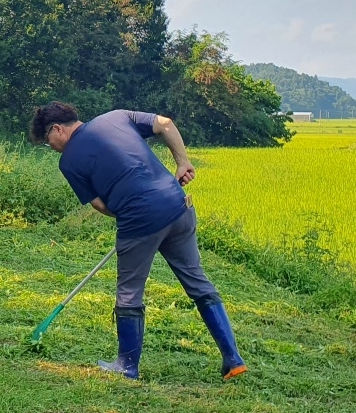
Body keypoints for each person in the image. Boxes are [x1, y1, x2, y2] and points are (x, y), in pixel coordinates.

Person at [30, 101, 247, 381]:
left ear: (57, 129)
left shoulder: (69, 161)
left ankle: (127, 365)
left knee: (129, 291)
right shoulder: (118, 117)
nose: (52, 148)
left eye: (48, 142)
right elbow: (165, 123)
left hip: (138, 220)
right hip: (178, 205)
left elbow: (100, 205)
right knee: (198, 282)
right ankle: (232, 358)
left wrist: (133, 211)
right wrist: (182, 162)